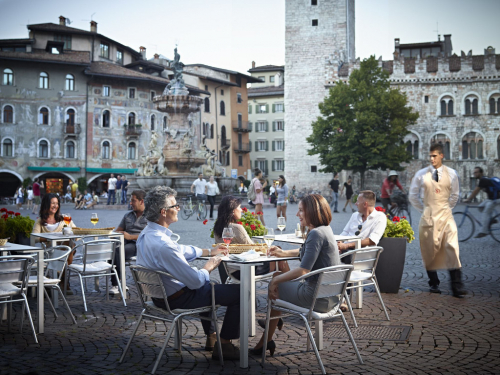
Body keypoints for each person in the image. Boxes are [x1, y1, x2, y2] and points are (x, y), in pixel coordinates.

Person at [136, 186, 241, 360]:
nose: (178, 208)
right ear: (163, 212)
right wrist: (208, 266)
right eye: (175, 206)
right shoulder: (163, 245)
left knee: (211, 286)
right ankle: (224, 345)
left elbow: (180, 249)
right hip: (177, 299)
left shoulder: (147, 234)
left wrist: (208, 251)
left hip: (158, 296)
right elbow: (196, 282)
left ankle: (212, 336)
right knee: (241, 293)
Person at [250, 194, 341, 355]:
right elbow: (304, 253)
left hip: (314, 299)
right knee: (279, 276)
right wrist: (283, 252)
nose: (297, 214)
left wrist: (274, 281)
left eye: (300, 210)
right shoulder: (325, 230)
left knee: (276, 280)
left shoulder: (315, 234)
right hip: (331, 298)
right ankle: (271, 326)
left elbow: (303, 270)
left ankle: (266, 339)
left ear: (312, 212)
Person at [409, 144, 466, 298]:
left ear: (442, 156)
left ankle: (457, 286)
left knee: (452, 249)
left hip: (446, 216)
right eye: (430, 156)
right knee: (429, 251)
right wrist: (425, 209)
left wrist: (446, 208)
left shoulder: (452, 173)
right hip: (428, 216)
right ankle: (433, 282)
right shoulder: (421, 174)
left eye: (435, 156)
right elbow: (413, 196)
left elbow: (455, 195)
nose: (432, 159)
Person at [213, 196, 290, 284]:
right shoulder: (236, 228)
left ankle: (281, 288)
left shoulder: (218, 228)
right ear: (233, 210)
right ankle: (291, 287)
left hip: (231, 269)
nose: (241, 210)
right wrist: (280, 254)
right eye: (239, 207)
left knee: (277, 250)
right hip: (245, 269)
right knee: (279, 255)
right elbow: (252, 249)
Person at [33, 193, 77, 292]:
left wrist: (69, 227)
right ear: (46, 204)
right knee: (66, 251)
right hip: (49, 251)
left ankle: (58, 274)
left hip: (65, 249)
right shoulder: (40, 221)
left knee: (68, 243)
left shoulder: (64, 218)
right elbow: (34, 237)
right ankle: (63, 280)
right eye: (52, 203)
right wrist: (50, 238)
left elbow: (76, 232)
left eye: (57, 203)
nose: (55, 206)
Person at [110, 190, 148, 295]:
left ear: (142, 201)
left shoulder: (150, 216)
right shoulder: (128, 215)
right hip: (125, 240)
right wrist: (115, 233)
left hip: (139, 243)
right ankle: (118, 282)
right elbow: (118, 230)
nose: (130, 203)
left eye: (133, 201)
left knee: (117, 251)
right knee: (112, 248)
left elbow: (150, 235)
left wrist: (131, 236)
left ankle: (117, 284)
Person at [464, 167, 500, 238]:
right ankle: (491, 220)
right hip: (490, 199)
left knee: (485, 213)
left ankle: (483, 232)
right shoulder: (484, 179)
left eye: (476, 172)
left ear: (481, 173)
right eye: (474, 172)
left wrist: (468, 199)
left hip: (495, 199)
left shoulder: (483, 180)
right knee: (480, 207)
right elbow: (477, 190)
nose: (474, 174)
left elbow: (476, 191)